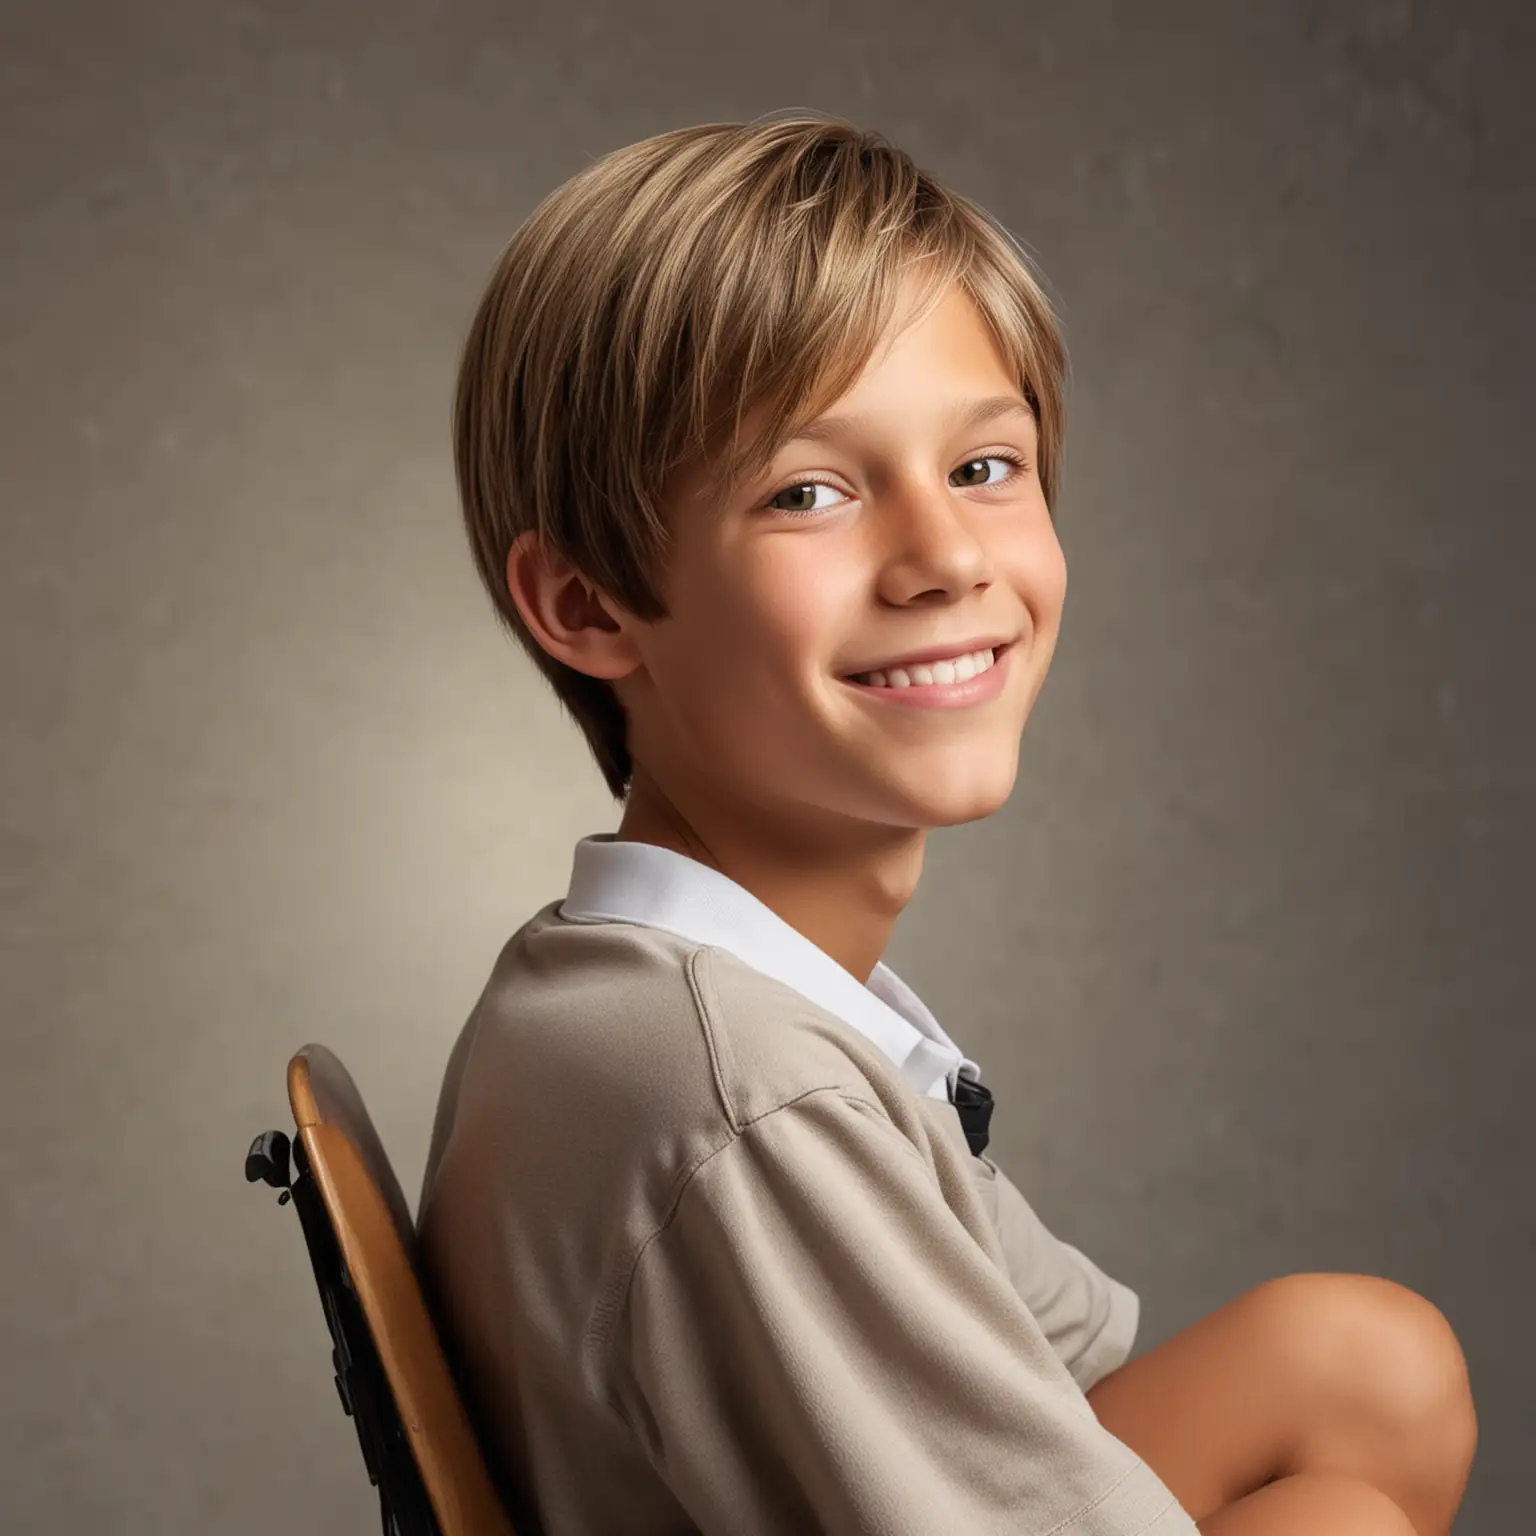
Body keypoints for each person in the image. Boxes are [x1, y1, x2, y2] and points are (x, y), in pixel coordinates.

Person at [416, 111, 1476, 1535]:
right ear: (590, 606)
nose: (945, 557)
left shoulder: (653, 993)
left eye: (985, 466)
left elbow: (1044, 1377)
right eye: (810, 492)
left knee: (1364, 1369)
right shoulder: (747, 1101)